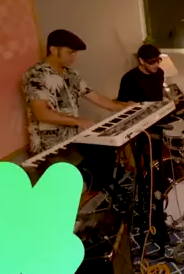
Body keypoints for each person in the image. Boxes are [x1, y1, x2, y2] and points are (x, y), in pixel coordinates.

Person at [22, 29, 131, 190]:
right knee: (70, 185)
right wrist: (78, 121)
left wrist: (125, 107)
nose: (74, 57)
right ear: (54, 49)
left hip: (73, 139)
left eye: (75, 53)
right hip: (49, 146)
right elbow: (41, 113)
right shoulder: (36, 75)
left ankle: (99, 191)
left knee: (106, 151)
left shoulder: (71, 74)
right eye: (70, 52)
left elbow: (96, 97)